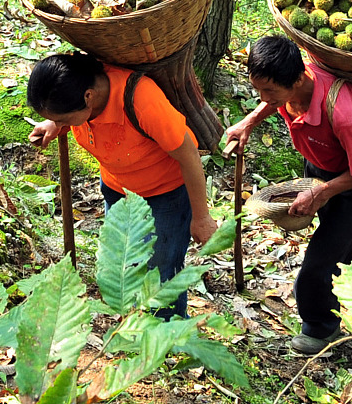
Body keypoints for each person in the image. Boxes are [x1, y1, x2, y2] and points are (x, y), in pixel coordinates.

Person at [226, 35, 352, 354]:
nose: (264, 98)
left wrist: (322, 193)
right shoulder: (287, 87)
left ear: (299, 78)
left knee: (321, 258)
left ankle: (320, 327)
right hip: (321, 164)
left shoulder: (343, 113)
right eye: (258, 90)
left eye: (269, 91)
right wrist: (248, 121)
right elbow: (273, 100)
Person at [26, 52, 217, 319]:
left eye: (62, 119)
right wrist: (54, 123)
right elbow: (75, 115)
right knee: (124, 261)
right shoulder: (77, 96)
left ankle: (168, 331)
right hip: (118, 190)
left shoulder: (142, 100)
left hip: (166, 197)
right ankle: (133, 323)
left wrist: (202, 217)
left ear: (88, 97)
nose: (59, 125)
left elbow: (189, 156)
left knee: (160, 274)